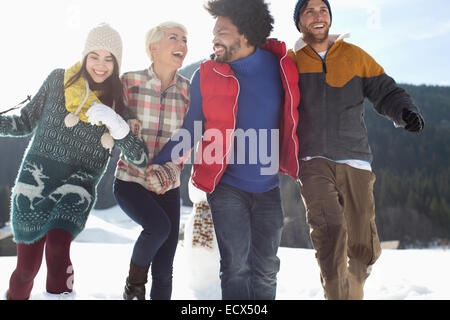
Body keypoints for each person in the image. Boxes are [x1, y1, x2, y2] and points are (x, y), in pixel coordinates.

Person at [150, 0, 300, 300]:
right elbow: (190, 129)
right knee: (236, 267)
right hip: (226, 186)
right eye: (214, 31)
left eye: (223, 32)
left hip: (269, 187)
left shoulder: (280, 66)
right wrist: (158, 163)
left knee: (267, 267)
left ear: (245, 34)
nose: (214, 38)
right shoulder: (206, 74)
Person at [1, 23, 148, 300]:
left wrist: (117, 125)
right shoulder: (59, 80)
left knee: (58, 248)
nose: (101, 65)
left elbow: (139, 158)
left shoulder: (118, 104)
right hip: (35, 183)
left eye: (109, 59)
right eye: (94, 56)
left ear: (117, 64)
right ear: (84, 56)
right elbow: (23, 122)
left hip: (76, 187)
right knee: (25, 270)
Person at [289, 0, 425, 300]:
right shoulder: (291, 61)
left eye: (323, 9)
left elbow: (387, 91)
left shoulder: (354, 56)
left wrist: (405, 112)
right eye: (309, 11)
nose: (318, 15)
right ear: (299, 22)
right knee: (330, 232)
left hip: (355, 159)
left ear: (330, 18)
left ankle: (355, 287)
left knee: (362, 243)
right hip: (312, 159)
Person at [112, 22, 190, 300]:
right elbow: (108, 119)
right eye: (174, 38)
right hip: (130, 181)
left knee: (165, 267)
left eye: (185, 38)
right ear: (153, 48)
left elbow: (189, 139)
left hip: (167, 187)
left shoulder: (188, 92)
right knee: (158, 228)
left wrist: (169, 172)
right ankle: (133, 289)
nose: (182, 43)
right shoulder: (129, 82)